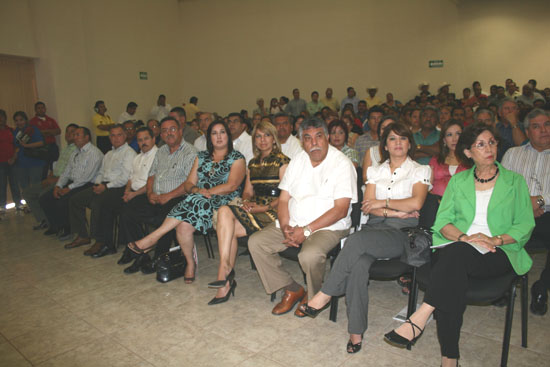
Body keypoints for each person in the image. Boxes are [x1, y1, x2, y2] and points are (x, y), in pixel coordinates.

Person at [383, 123, 534, 367]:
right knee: (453, 268)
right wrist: (465, 238)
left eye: (492, 142)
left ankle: (423, 316)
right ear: (468, 153)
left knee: (448, 270)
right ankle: (449, 360)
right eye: (481, 145)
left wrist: (494, 239)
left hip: (499, 251)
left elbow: (524, 225)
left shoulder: (514, 182)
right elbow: (443, 222)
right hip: (459, 246)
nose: (489, 149)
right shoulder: (459, 181)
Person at [299, 122, 430, 353]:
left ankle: (326, 293)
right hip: (374, 230)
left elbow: (416, 203)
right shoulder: (375, 171)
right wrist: (396, 209)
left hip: (401, 233)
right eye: (392, 139)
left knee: (354, 241)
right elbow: (368, 207)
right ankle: (356, 331)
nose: (398, 143)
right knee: (358, 264)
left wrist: (384, 205)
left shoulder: (420, 170)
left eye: (402, 138)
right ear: (385, 146)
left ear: (410, 143)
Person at [248, 117, 357, 317]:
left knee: (309, 255)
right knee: (256, 243)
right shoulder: (298, 160)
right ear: (302, 142)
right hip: (294, 222)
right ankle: (291, 288)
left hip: (329, 226)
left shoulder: (342, 164)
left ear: (327, 138)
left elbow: (340, 210)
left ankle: (315, 297)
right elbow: (283, 200)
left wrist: (306, 231)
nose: (314, 143)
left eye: (318, 136)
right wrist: (286, 225)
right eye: (308, 138)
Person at [126, 120, 246, 283]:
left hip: (226, 202)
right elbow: (189, 184)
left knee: (193, 201)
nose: (218, 137)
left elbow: (232, 185)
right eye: (214, 133)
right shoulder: (201, 156)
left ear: (228, 135)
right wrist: (197, 190)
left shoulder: (237, 157)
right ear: (209, 137)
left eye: (222, 132)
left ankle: (152, 238)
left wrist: (204, 192)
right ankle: (190, 263)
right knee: (182, 226)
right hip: (200, 202)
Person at [209, 121, 290, 304]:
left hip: (275, 209)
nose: (262, 140)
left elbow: (287, 195)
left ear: (274, 138)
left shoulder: (283, 161)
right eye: (259, 136)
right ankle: (225, 270)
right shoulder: (252, 163)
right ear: (254, 141)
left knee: (226, 229)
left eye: (267, 135)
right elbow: (247, 191)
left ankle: (225, 274)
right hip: (255, 207)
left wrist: (264, 207)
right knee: (225, 217)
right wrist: (246, 202)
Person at [117, 116, 197, 274]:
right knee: (127, 211)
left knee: (164, 217)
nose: (169, 133)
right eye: (165, 131)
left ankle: (159, 257)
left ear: (180, 131)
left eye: (172, 129)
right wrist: (149, 193)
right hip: (156, 195)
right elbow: (151, 175)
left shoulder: (191, 152)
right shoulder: (161, 151)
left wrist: (168, 196)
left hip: (179, 197)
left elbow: (190, 183)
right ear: (160, 135)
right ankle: (142, 253)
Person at [502, 109, 550, 315]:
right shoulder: (513, 154)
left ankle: (542, 286)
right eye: (536, 126)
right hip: (516, 213)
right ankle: (503, 284)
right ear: (527, 131)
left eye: (547, 124)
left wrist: (540, 200)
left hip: (547, 214)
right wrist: (524, 204)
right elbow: (501, 189)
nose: (544, 130)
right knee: (495, 230)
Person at [85, 126, 159, 258]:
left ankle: (136, 250)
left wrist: (133, 194)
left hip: (147, 193)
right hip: (132, 191)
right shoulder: (138, 157)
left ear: (154, 139)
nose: (143, 142)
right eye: (140, 140)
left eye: (146, 139)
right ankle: (112, 244)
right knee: (110, 206)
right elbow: (130, 178)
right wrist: (127, 192)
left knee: (123, 211)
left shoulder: (158, 155)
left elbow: (151, 183)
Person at [66, 124, 136, 251]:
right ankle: (82, 235)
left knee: (98, 202)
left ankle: (100, 240)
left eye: (119, 135)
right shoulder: (108, 154)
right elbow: (101, 172)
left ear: (125, 136)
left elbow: (125, 178)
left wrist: (106, 186)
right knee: (76, 199)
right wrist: (98, 184)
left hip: (120, 187)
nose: (116, 138)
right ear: (109, 137)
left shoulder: (129, 153)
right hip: (103, 185)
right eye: (113, 135)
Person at [39, 127, 103, 240]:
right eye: (74, 135)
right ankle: (56, 226)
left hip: (87, 184)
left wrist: (68, 188)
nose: (74, 137)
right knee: (45, 198)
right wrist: (58, 185)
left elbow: (86, 177)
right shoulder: (75, 152)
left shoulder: (94, 153)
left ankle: (69, 229)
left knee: (63, 200)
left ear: (86, 137)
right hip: (73, 182)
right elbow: (66, 172)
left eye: (77, 135)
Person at [23, 124, 78, 230]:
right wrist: (51, 175)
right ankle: (44, 220)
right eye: (67, 132)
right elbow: (58, 165)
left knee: (43, 195)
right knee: (27, 192)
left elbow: (73, 173)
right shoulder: (65, 149)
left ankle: (55, 224)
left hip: (64, 181)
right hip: (53, 178)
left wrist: (54, 180)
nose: (69, 134)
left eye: (73, 132)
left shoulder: (77, 150)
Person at [12, 111, 46, 193]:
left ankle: (37, 205)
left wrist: (27, 146)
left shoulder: (32, 129)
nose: (19, 122)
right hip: (21, 163)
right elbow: (17, 147)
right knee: (24, 186)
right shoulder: (15, 132)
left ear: (26, 120)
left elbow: (41, 143)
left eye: (21, 120)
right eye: (16, 120)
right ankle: (29, 204)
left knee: (35, 186)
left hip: (35, 162)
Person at [29, 101, 61, 178]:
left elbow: (58, 131)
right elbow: (34, 134)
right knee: (43, 170)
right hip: (41, 148)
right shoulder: (32, 121)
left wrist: (45, 132)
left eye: (42, 108)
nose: (41, 110)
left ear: (45, 109)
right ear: (35, 110)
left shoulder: (50, 119)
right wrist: (50, 131)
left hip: (52, 147)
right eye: (38, 108)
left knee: (55, 169)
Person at [361, 115, 397, 182]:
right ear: (379, 132)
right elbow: (365, 178)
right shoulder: (371, 152)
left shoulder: (401, 150)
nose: (387, 131)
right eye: (384, 128)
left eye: (390, 128)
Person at [0, 109, 21, 215]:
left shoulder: (11, 130)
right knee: (1, 185)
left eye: (2, 116)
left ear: (5, 118)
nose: (0, 119)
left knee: (14, 184)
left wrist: (14, 157)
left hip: (12, 161)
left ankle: (18, 204)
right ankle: (2, 207)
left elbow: (17, 145)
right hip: (0, 163)